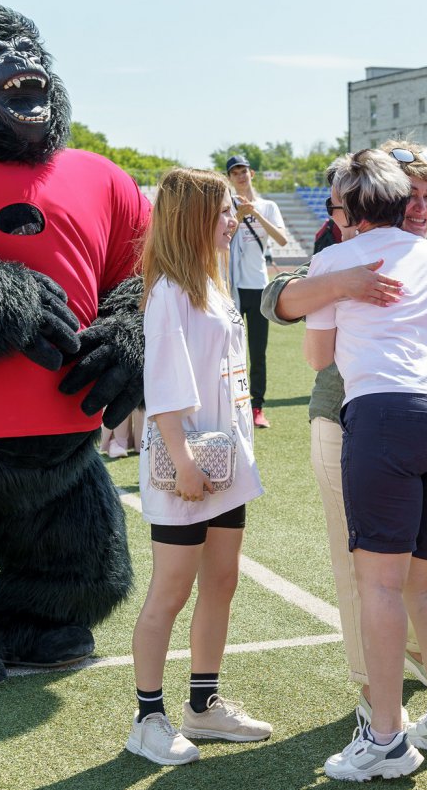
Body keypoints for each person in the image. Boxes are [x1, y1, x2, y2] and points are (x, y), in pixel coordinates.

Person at [304, 150, 427, 781]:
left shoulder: (332, 259)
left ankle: (385, 737)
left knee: (377, 583)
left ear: (351, 208)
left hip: (384, 414)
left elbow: (317, 357)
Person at [126, 168, 269, 766]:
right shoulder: (168, 292)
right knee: (171, 590)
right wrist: (183, 461)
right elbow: (162, 389)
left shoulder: (212, 284)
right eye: (224, 211)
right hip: (186, 464)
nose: (234, 220)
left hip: (226, 459)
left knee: (222, 582)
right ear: (193, 219)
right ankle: (148, 718)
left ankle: (202, 707)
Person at [224, 154, 289, 429]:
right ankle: (230, 406)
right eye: (234, 172)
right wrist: (238, 215)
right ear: (229, 178)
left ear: (252, 174)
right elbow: (221, 239)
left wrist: (256, 213)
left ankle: (257, 407)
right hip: (233, 288)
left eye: (244, 171)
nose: (240, 176)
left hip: (260, 288)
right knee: (230, 350)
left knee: (257, 352)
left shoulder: (268, 206)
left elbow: (282, 240)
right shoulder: (225, 207)